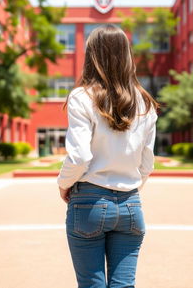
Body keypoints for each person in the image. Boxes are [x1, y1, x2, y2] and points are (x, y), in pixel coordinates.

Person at [57, 24, 158, 288]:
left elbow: (79, 157)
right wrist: (127, 189)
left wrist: (64, 183)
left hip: (88, 201)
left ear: (91, 55)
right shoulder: (145, 102)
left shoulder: (81, 96)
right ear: (126, 55)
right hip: (131, 204)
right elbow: (147, 164)